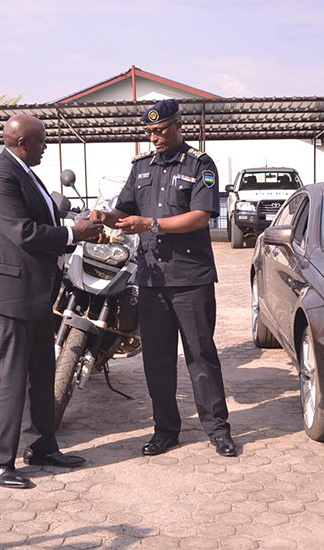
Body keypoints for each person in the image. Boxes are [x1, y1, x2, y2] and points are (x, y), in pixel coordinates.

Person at [91, 99, 236, 458]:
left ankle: (218, 429)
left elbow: (202, 216)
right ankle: (165, 430)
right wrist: (104, 216)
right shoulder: (141, 168)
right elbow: (124, 209)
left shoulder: (200, 164)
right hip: (152, 279)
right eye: (149, 132)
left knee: (201, 356)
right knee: (157, 359)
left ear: (177, 126)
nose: (154, 137)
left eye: (160, 130)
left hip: (191, 279)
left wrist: (150, 224)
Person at [0, 113, 104, 489]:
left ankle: (42, 446)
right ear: (23, 142)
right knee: (11, 376)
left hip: (34, 291)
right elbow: (22, 232)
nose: (46, 147)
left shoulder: (24, 170)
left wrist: (75, 223)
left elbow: (43, 216)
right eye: (41, 141)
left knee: (42, 371)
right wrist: (72, 234)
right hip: (6, 292)